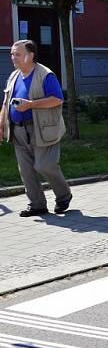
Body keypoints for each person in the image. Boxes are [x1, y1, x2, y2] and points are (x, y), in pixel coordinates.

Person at [0, 40, 72, 216]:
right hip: (18, 130)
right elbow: (5, 103)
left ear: (30, 55)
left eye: (17, 54)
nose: (13, 58)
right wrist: (1, 124)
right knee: (25, 169)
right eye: (12, 54)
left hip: (42, 128)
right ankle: (37, 204)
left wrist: (30, 105)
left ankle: (63, 196)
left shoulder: (45, 74)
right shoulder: (14, 76)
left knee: (44, 165)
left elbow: (57, 99)